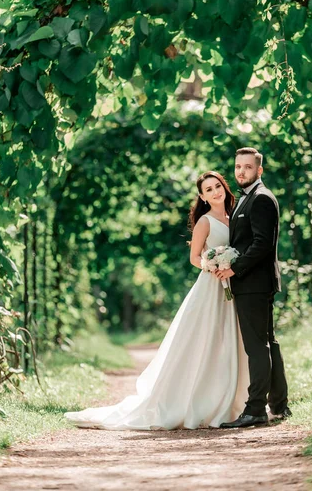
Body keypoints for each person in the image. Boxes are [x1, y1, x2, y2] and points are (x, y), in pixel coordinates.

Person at [65, 171, 249, 430]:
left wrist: (230, 263)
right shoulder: (205, 222)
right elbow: (195, 258)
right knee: (206, 340)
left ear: (224, 187)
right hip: (211, 287)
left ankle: (232, 399)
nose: (216, 192)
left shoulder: (235, 217)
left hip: (234, 285)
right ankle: (198, 400)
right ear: (202, 196)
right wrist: (212, 264)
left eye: (218, 186)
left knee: (232, 340)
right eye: (209, 190)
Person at [216, 147, 291, 428]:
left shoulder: (261, 199)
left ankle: (256, 409)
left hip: (254, 284)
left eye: (247, 167)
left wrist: (235, 267)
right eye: (237, 166)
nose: (241, 172)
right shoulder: (245, 199)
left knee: (256, 347)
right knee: (268, 343)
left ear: (259, 171)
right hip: (252, 283)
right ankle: (280, 405)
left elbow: (262, 244)